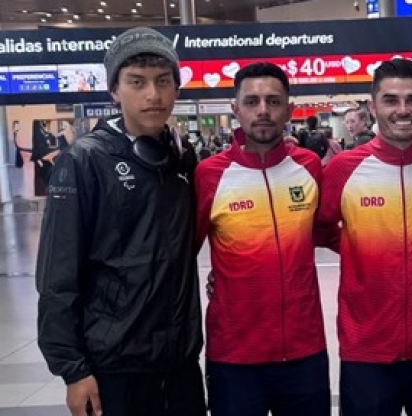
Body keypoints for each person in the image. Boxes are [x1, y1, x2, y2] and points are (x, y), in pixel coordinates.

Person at [35, 26, 206, 416]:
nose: (154, 94)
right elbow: (58, 275)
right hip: (114, 369)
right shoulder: (85, 161)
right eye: (137, 82)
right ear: (114, 91)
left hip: (179, 365)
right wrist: (73, 371)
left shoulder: (182, 158)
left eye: (164, 82)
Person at [318, 58, 412, 416]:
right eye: (391, 100)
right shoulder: (345, 169)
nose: (403, 110)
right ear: (373, 106)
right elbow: (320, 226)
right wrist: (361, 250)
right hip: (367, 349)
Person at [194, 62, 335, 416]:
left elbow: (328, 232)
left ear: (289, 109)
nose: (262, 111)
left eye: (273, 101)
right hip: (235, 356)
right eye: (252, 101)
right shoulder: (209, 175)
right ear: (235, 108)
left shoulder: (309, 167)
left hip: (305, 351)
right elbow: (182, 255)